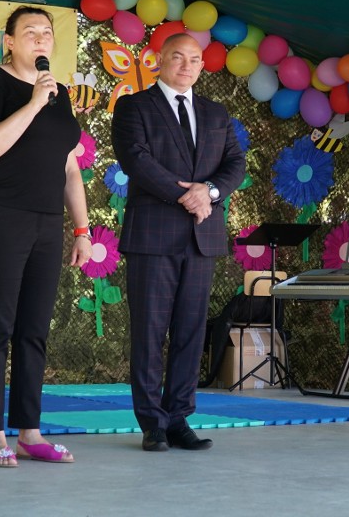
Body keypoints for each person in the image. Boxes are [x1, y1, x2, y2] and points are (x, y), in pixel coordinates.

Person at [0, 6, 91, 467]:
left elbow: (70, 167)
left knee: (35, 328)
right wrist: (33, 103)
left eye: (46, 32)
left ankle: (30, 433)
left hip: (45, 220)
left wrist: (82, 229)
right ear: (10, 41)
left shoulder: (59, 94)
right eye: (30, 32)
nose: (40, 39)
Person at [111, 33, 246, 452]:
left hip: (201, 238)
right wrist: (186, 194)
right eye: (177, 57)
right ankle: (152, 423)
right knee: (150, 333)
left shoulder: (215, 112)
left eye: (194, 59)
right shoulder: (134, 106)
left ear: (202, 67)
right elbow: (135, 159)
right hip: (152, 237)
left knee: (190, 332)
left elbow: (235, 163)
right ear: (158, 60)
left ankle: (178, 419)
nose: (186, 66)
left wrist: (210, 192)